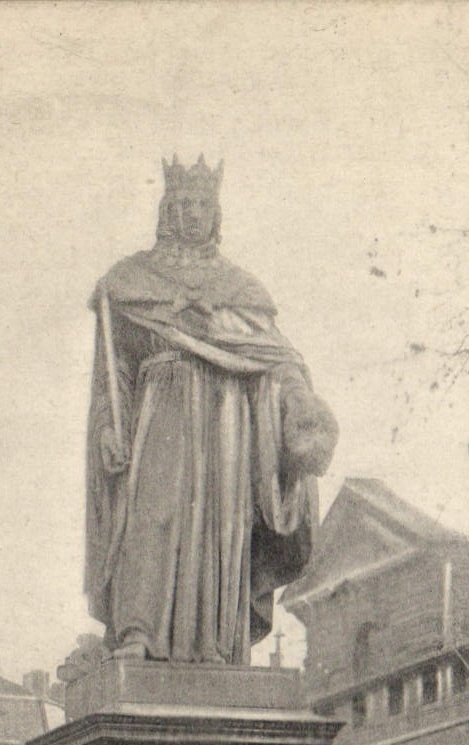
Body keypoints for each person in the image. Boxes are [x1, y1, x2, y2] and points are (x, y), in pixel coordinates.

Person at [85, 155, 338, 664]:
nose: (193, 213)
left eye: (203, 204)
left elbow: (276, 360)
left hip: (226, 421)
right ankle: (139, 631)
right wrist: (111, 424)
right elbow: (114, 374)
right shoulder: (131, 282)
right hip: (160, 415)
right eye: (183, 203)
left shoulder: (240, 290)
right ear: (167, 209)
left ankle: (216, 643)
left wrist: (298, 402)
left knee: (221, 529)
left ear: (215, 212)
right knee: (151, 517)